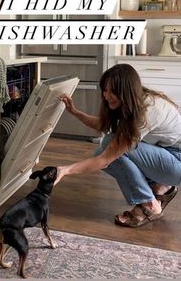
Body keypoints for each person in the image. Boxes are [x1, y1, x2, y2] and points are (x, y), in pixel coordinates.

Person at [55, 63, 181, 228]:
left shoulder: (146, 112)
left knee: (109, 149)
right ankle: (160, 186)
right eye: (105, 90)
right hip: (166, 155)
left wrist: (66, 170)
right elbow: (103, 124)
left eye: (111, 91)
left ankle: (150, 204)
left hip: (176, 161)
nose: (106, 96)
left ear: (125, 90)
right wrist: (75, 112)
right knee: (108, 145)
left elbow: (106, 159)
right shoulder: (135, 100)